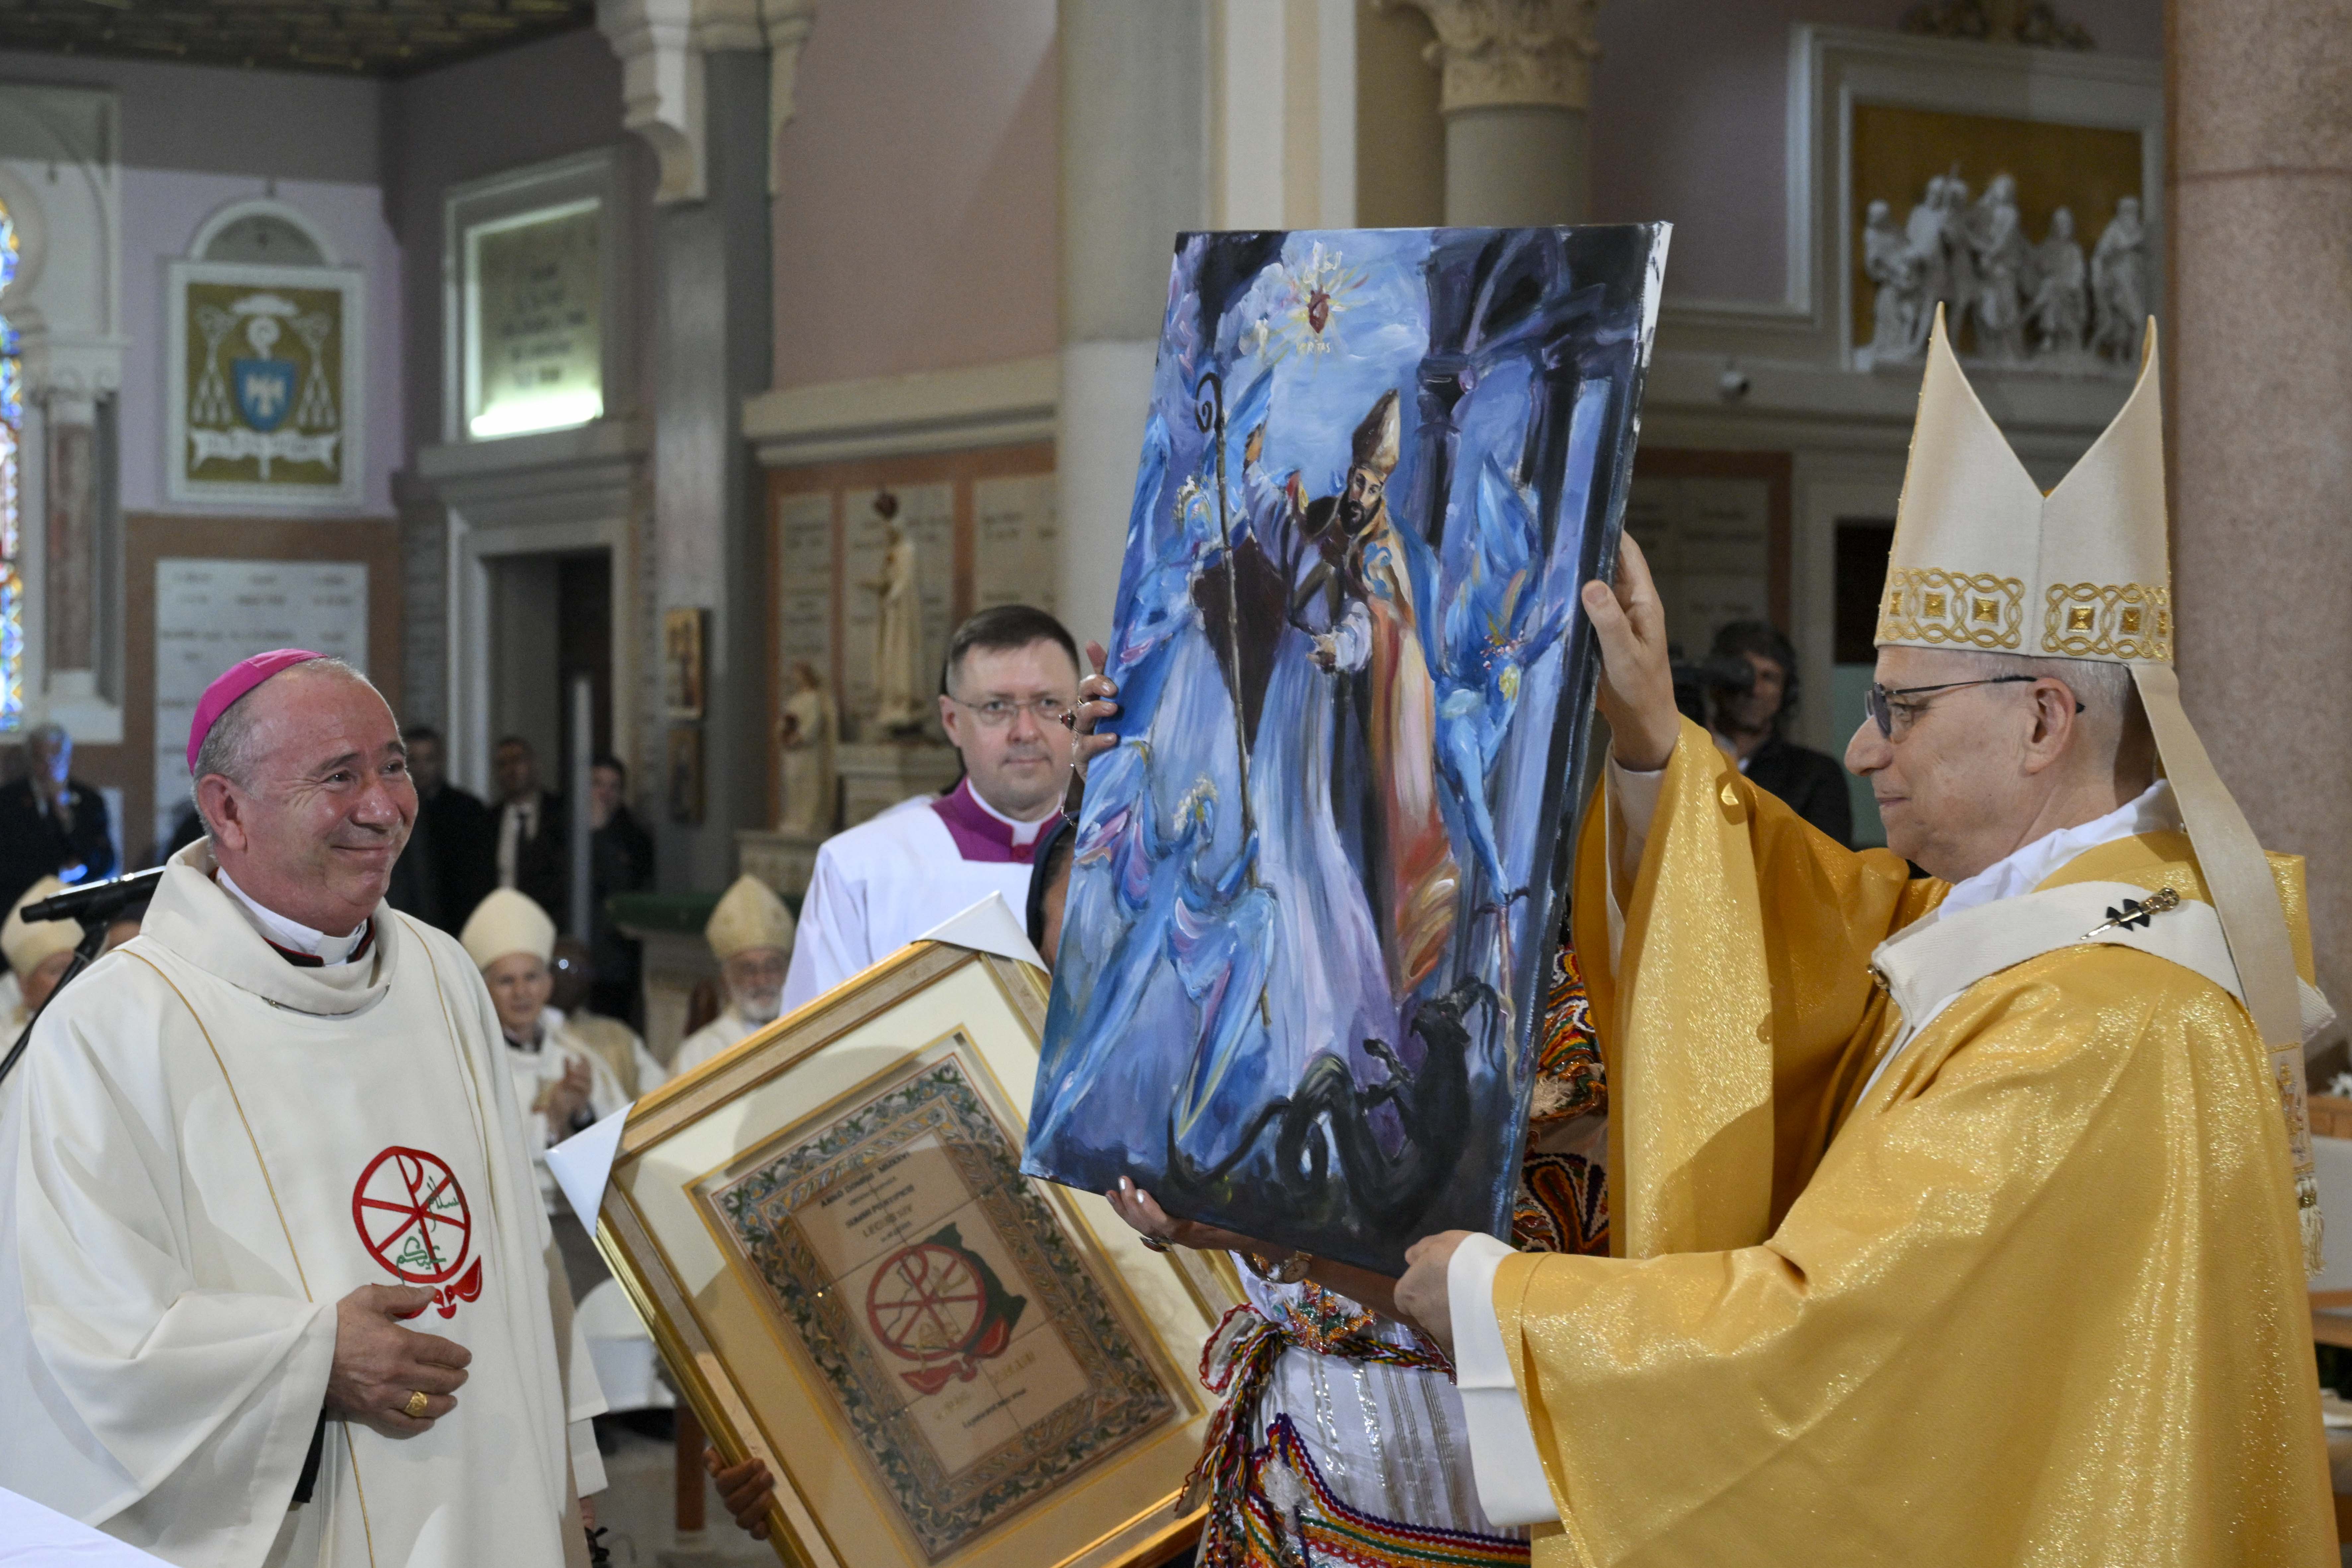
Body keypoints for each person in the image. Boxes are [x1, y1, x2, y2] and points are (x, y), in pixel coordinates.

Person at [1392, 313, 2337, 1562]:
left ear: (2045, 719)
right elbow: (1818, 936)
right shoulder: (2044, 934)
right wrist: (1652, 745)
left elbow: (1822, 1346)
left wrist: (1494, 1297)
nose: (1859, 746)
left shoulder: (2097, 1017)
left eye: (1898, 705)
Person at [0, 648, 607, 1565]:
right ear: (227, 809)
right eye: (339, 776)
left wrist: (574, 1473)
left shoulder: (443, 971)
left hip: (489, 1492)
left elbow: (518, 1251)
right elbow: (77, 1329)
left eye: (393, 764)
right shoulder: (114, 1023)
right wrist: (307, 1359)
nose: (382, 805)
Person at [780, 605, 1081, 1011]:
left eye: (1048, 704)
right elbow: (816, 1054)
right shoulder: (859, 870)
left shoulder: (1126, 862)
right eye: (996, 707)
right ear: (952, 720)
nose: (1025, 732)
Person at [459, 888, 628, 1299]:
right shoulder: (470, 1062)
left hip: (579, 1225)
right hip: (507, 1232)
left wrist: (582, 1114)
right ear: (483, 990)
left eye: (532, 978)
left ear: (549, 984)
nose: (522, 993)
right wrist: (549, 1125)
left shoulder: (579, 1057)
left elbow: (621, 1151)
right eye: (506, 980)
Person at [1702, 619, 1852, 847]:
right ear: (1718, 682)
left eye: (1768, 677)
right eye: (1744, 675)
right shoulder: (1684, 758)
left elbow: (1827, 871)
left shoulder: (1815, 775)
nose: (1754, 690)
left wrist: (1729, 775)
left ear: (1786, 692)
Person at [672, 874, 796, 1076]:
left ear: (788, 971)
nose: (762, 980)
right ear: (726, 981)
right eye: (748, 970)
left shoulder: (811, 1027)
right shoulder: (700, 1053)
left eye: (772, 967)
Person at [0, 722, 117, 920]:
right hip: (23, 907)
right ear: (30, 761)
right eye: (41, 759)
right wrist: (56, 873)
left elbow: (105, 861)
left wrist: (66, 819)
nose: (49, 767)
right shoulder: (8, 801)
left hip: (78, 906)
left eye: (56, 757)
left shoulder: (89, 801)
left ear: (68, 758)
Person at [388, 724, 495, 934]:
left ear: (442, 760)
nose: (422, 768)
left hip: (460, 922)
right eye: (414, 761)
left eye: (429, 759)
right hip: (406, 924)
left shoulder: (467, 809)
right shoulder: (391, 812)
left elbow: (480, 876)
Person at [549, 935, 666, 1098]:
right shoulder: (528, 1032)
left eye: (583, 969)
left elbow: (658, 1092)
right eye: (563, 965)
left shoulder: (618, 1034)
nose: (573, 976)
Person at [586, 753, 654, 1023]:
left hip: (613, 960)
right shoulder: (564, 827)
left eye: (614, 786)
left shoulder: (635, 838)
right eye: (598, 784)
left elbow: (624, 891)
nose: (605, 793)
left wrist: (600, 834)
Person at [494, 735, 569, 927]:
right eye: (503, 764)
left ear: (535, 765)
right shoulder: (487, 820)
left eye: (518, 760)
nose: (512, 770)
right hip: (502, 922)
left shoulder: (562, 814)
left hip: (550, 922)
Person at [1, 876, 78, 1041]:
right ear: (24, 986)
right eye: (58, 971)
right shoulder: (6, 1047)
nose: (73, 979)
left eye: (79, 968)